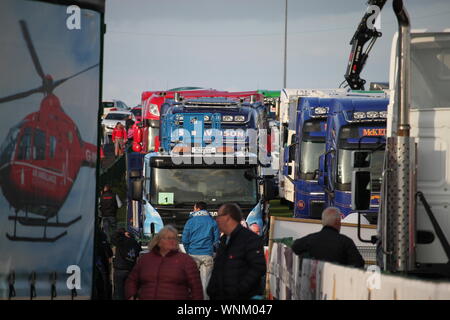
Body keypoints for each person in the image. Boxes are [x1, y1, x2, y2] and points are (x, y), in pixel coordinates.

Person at [125, 225, 203, 300]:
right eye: (168, 238)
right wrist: (131, 296)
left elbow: (196, 288)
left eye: (175, 238)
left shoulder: (186, 260)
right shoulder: (145, 259)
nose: (172, 241)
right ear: (159, 241)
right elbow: (132, 280)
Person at [207, 203, 266, 300]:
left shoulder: (250, 239)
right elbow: (218, 268)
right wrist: (212, 289)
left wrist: (238, 290)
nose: (216, 220)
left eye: (219, 216)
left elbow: (258, 268)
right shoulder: (224, 240)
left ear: (227, 218)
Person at [292, 207, 365, 268]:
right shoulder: (346, 242)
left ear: (323, 222)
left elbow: (294, 247)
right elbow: (359, 263)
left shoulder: (310, 239)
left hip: (315, 281)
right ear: (337, 222)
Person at [182, 202, 219, 299]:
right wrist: (213, 251)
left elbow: (185, 239)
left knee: (191, 282)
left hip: (193, 254)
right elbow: (216, 240)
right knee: (205, 282)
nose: (193, 210)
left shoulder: (190, 221)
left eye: (194, 208)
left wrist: (188, 251)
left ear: (198, 209)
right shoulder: (212, 221)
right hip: (207, 254)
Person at [111, 228, 142, 300]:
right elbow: (138, 254)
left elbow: (112, 238)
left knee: (118, 292)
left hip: (120, 269)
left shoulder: (121, 241)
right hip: (130, 270)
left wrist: (121, 232)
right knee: (129, 292)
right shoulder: (135, 243)